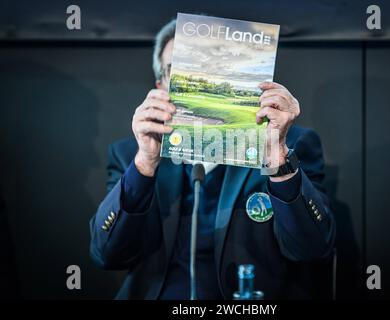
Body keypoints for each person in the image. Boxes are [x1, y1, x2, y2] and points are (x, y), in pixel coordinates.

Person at [90, 19, 335, 299]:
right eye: (179, 70)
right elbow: (107, 256)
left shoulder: (288, 144)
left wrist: (278, 159)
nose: (194, 80)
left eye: (209, 69)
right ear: (161, 86)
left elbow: (313, 249)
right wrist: (145, 164)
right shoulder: (129, 155)